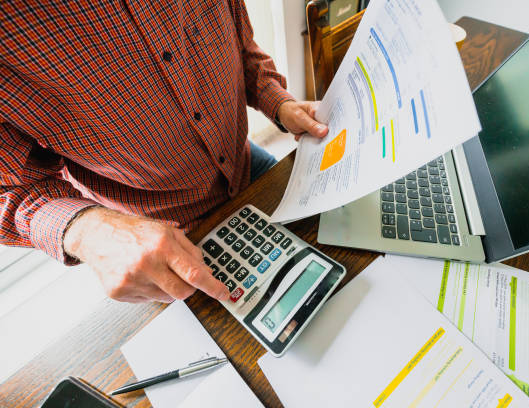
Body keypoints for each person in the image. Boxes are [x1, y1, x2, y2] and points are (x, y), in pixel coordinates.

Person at [0, 1, 328, 303]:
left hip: (251, 168)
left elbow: (240, 46)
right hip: (163, 239)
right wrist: (88, 231)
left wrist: (278, 101)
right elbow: (8, 191)